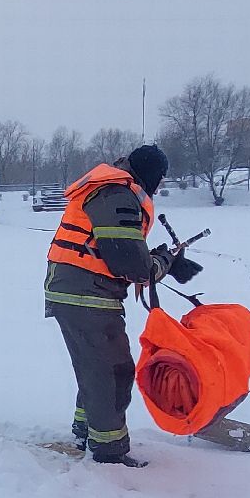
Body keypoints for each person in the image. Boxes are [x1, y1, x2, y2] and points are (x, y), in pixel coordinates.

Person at [44, 143, 198, 468]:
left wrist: (157, 259)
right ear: (152, 175)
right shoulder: (116, 194)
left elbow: (123, 251)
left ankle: (86, 430)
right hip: (85, 294)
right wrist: (161, 262)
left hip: (83, 291)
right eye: (161, 179)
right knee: (110, 372)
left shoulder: (115, 192)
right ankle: (109, 451)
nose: (161, 186)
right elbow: (130, 262)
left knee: (97, 367)